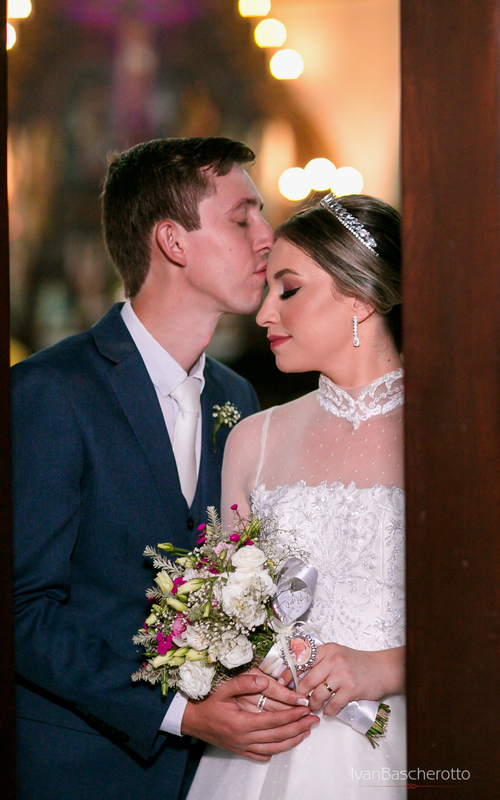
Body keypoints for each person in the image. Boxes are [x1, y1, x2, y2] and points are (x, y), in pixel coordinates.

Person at [13, 137, 319, 800]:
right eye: (242, 218)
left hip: (213, 771)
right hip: (83, 770)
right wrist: (179, 712)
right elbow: (22, 612)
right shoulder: (52, 391)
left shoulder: (236, 398)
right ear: (173, 242)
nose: (267, 237)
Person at [188, 192, 407, 799]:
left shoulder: (449, 436)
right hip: (263, 750)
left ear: (360, 297)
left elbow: (490, 621)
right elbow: (222, 605)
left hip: (403, 741)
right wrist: (232, 666)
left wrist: (385, 666)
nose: (264, 313)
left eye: (288, 290)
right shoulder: (252, 441)